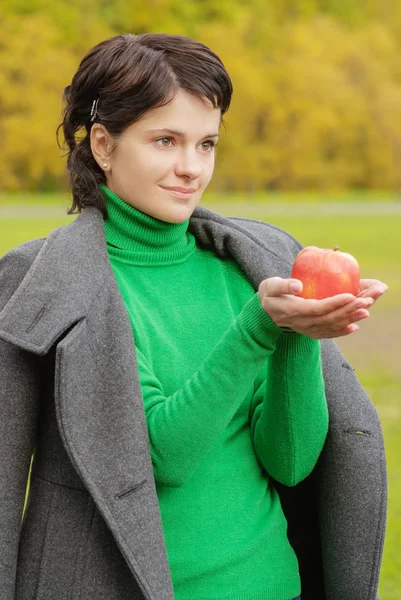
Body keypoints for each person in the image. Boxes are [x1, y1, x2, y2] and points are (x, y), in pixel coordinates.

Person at [0, 33, 388, 600]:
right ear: (103, 145)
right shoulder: (56, 282)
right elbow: (161, 455)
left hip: (272, 587)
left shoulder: (248, 267)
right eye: (165, 140)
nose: (190, 168)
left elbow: (290, 461)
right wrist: (261, 326)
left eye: (206, 144)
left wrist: (299, 336)